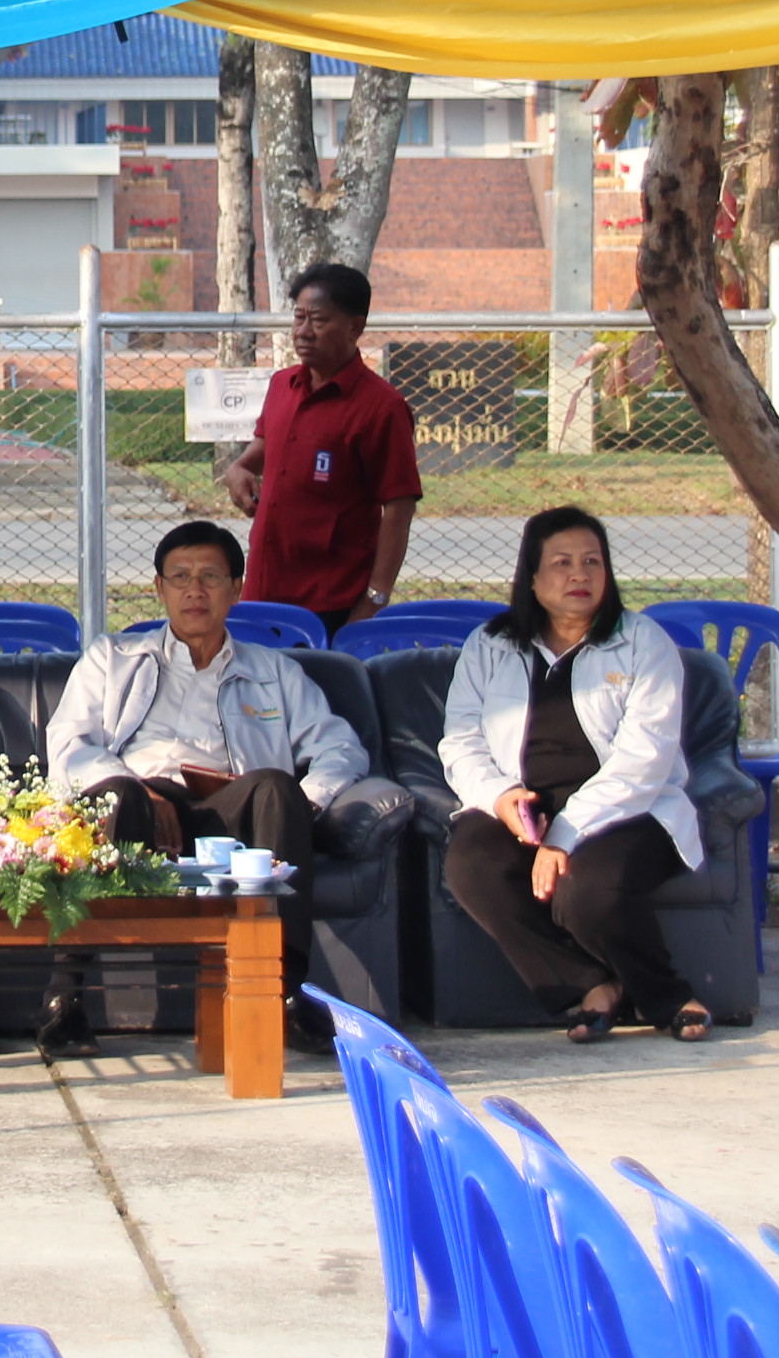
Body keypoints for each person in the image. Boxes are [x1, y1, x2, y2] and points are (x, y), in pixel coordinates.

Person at [44, 520, 368, 1060]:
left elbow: (342, 748)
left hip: (230, 810)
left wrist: (303, 802)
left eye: (211, 577)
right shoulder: (113, 658)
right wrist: (138, 791)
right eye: (181, 577)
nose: (195, 590)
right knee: (114, 796)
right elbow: (69, 744)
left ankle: (285, 993)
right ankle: (64, 999)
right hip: (140, 805)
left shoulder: (274, 672)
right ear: (159, 588)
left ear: (236, 589)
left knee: (276, 788)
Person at [437, 506, 709, 1045]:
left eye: (592, 561)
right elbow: (460, 740)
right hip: (524, 806)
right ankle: (589, 986)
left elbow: (645, 758)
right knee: (471, 865)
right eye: (561, 563)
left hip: (627, 808)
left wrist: (565, 834)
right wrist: (500, 798)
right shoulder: (490, 645)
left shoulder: (643, 643)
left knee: (585, 891)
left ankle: (666, 995)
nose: (579, 574)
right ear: (532, 578)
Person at [224, 262, 420, 631]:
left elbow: (399, 507)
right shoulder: (282, 386)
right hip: (263, 591)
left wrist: (374, 600)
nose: (303, 331)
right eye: (298, 317)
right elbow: (262, 448)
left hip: (332, 602)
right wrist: (239, 469)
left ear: (355, 327)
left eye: (318, 320)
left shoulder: (382, 407)